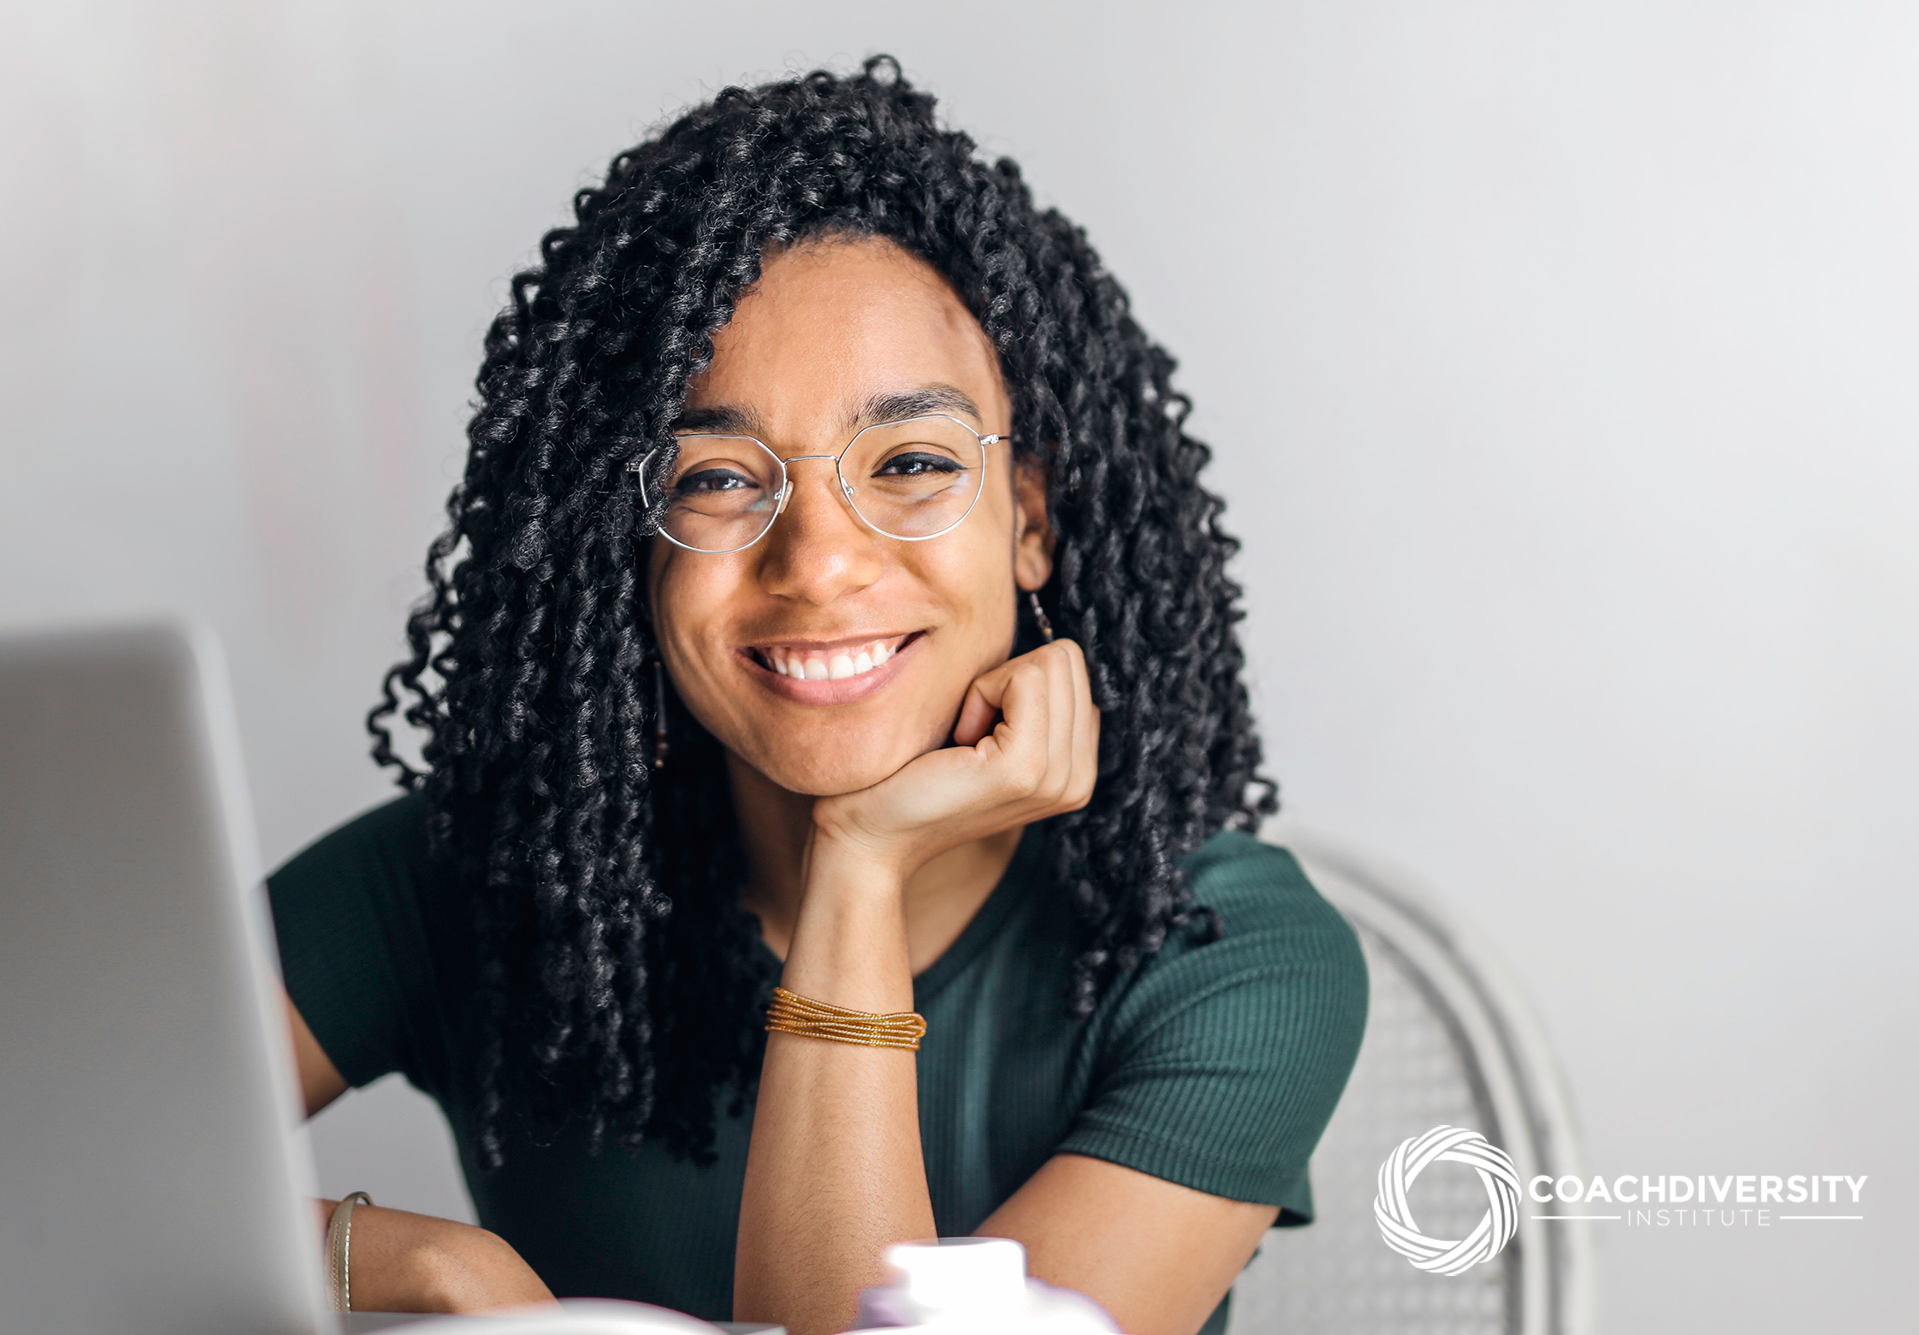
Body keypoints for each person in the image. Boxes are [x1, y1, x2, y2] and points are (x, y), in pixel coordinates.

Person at [269, 57, 1367, 1335]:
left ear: (1031, 519)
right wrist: (411, 1267)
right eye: (717, 479)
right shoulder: (479, 875)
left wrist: (859, 865)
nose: (820, 561)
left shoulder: (1221, 956)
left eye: (907, 461)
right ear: (625, 544)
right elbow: (9, 1161)